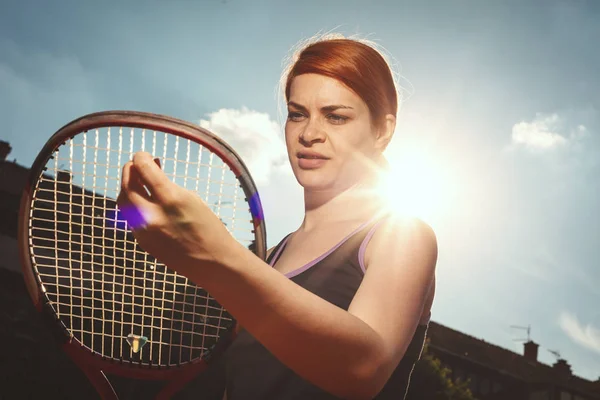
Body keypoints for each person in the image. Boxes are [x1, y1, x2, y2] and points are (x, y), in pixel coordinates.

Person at [117, 34, 437, 400]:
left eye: (336, 117)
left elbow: (363, 370)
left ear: (382, 131)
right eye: (297, 114)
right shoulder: (273, 257)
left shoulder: (403, 233)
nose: (310, 134)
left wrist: (218, 255)